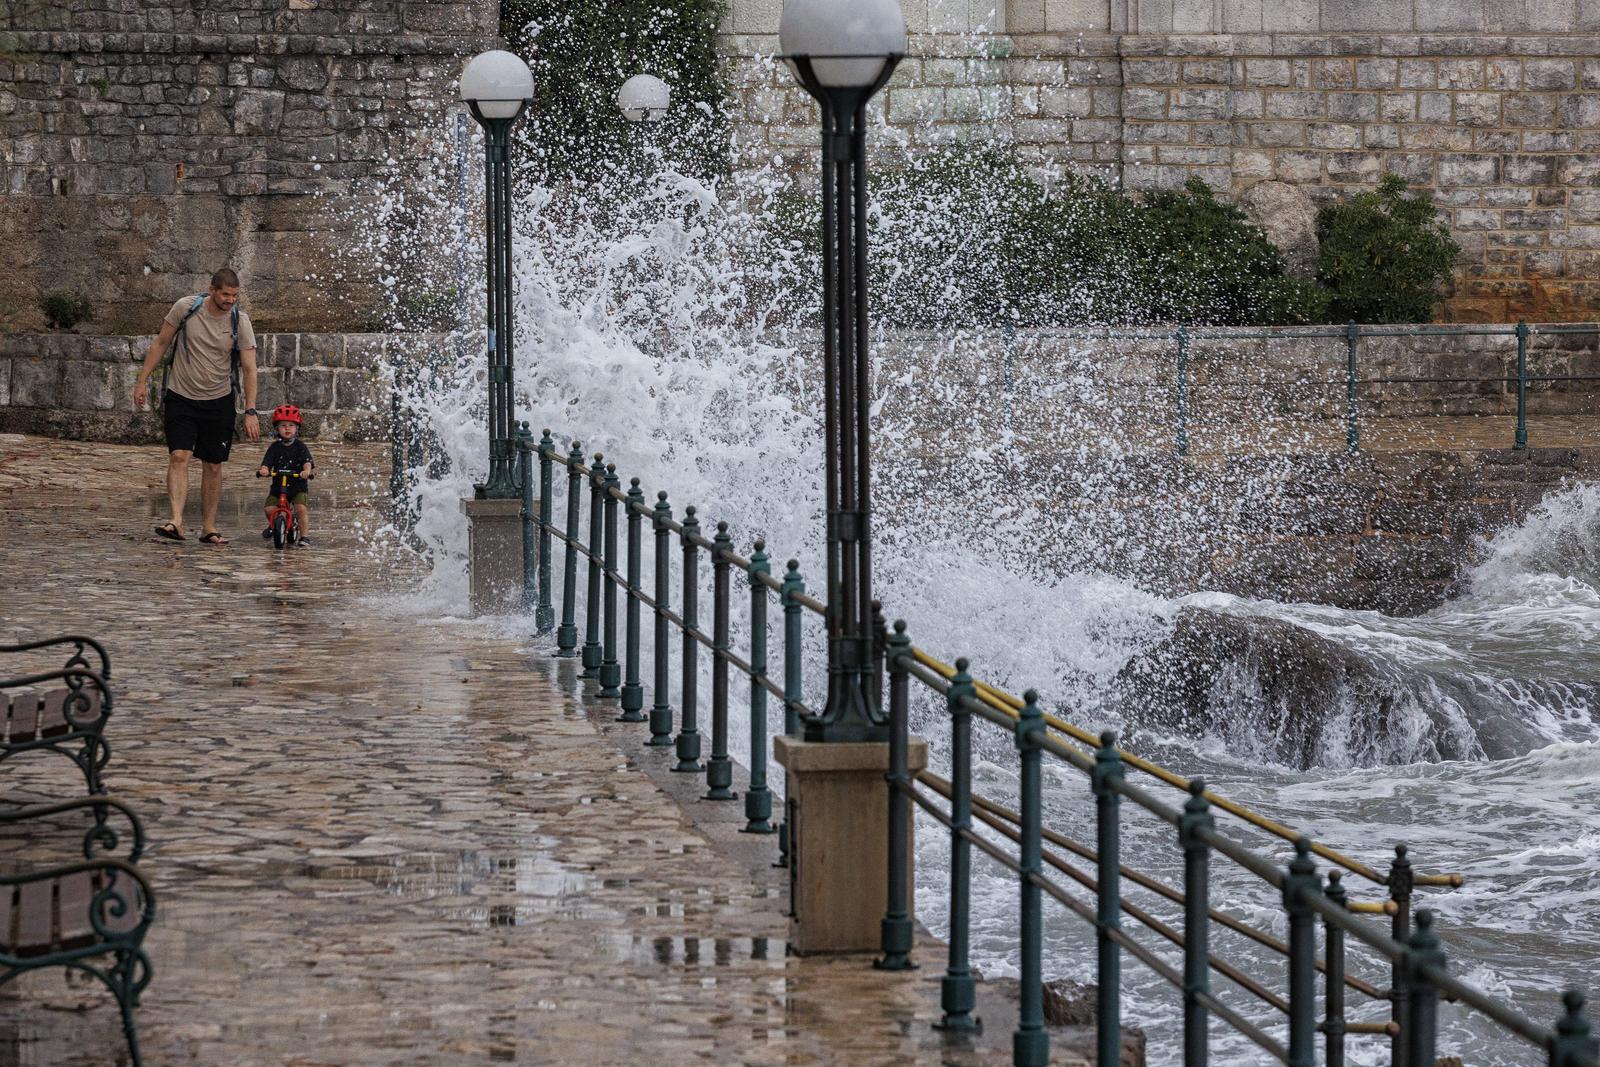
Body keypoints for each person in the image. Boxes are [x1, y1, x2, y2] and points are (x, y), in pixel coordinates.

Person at [133, 268, 261, 544]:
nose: (230, 300)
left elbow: (250, 369)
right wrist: (142, 381)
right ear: (212, 289)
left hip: (219, 400)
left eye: (235, 296)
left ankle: (208, 527)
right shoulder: (186, 307)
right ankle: (176, 521)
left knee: (213, 464)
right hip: (181, 394)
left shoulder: (241, 322)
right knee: (179, 456)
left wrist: (250, 410)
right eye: (225, 294)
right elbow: (161, 343)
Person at [257, 405, 315, 547]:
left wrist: (306, 471)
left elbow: (307, 462)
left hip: (297, 486)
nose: (287, 429)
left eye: (291, 425)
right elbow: (267, 463)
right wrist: (264, 470)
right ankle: (275, 525)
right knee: (269, 508)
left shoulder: (300, 446)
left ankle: (304, 536)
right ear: (277, 429)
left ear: (297, 428)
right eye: (283, 426)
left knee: (301, 508)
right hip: (278, 487)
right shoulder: (274, 447)